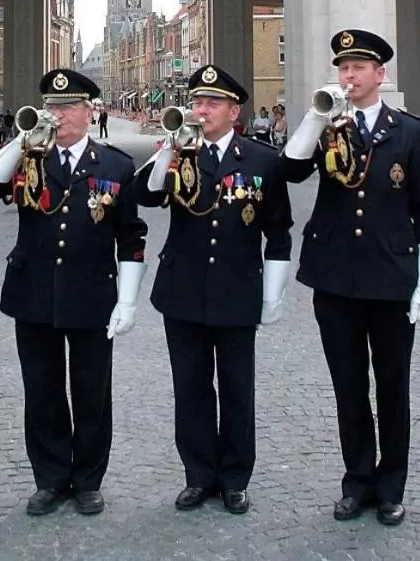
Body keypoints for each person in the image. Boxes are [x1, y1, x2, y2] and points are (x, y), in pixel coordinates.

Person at [282, 30, 420, 527]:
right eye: (343, 68)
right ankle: (357, 481)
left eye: (358, 68)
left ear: (380, 74)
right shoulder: (329, 125)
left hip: (392, 277)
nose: (348, 76)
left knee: (393, 387)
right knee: (348, 386)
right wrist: (316, 112)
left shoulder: (409, 132)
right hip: (337, 278)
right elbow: (290, 168)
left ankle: (391, 486)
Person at [0, 68, 147, 517]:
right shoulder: (29, 157)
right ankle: (49, 478)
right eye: (52, 106)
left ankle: (88, 479)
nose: (59, 115)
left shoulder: (114, 165)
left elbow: (131, 237)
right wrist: (24, 138)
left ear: (89, 112)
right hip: (34, 292)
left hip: (91, 293)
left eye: (68, 107)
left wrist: (127, 301)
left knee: (92, 392)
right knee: (43, 390)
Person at [134, 63, 293, 515]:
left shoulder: (261, 160)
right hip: (183, 288)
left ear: (233, 110)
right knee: (191, 387)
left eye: (212, 103)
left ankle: (235, 477)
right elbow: (144, 197)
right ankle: (198, 474)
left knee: (238, 387)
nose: (201, 110)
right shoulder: (180, 154)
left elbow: (278, 231)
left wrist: (273, 294)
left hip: (237, 288)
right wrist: (166, 150)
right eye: (197, 102)